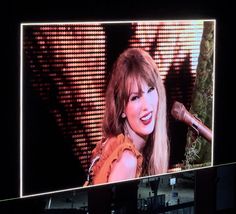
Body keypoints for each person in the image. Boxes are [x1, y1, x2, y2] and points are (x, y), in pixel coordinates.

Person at [84, 48, 169, 186]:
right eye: (135, 97)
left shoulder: (114, 144)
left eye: (151, 90)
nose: (147, 106)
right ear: (122, 108)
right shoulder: (127, 160)